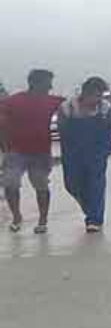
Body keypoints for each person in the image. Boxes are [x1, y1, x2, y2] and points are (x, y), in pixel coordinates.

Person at [0, 69, 65, 233]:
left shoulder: (53, 101)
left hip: (41, 152)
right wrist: (5, 146)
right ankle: (16, 217)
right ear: (35, 83)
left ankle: (42, 220)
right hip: (15, 152)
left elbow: (76, 105)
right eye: (48, 83)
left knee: (41, 186)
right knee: (10, 184)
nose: (50, 86)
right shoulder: (13, 101)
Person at [58, 76, 111, 232]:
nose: (98, 99)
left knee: (96, 185)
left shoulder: (106, 109)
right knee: (71, 185)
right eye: (95, 95)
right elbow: (61, 130)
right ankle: (91, 208)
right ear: (85, 92)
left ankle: (94, 219)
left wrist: (106, 149)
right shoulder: (67, 107)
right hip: (72, 153)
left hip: (97, 153)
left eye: (101, 95)